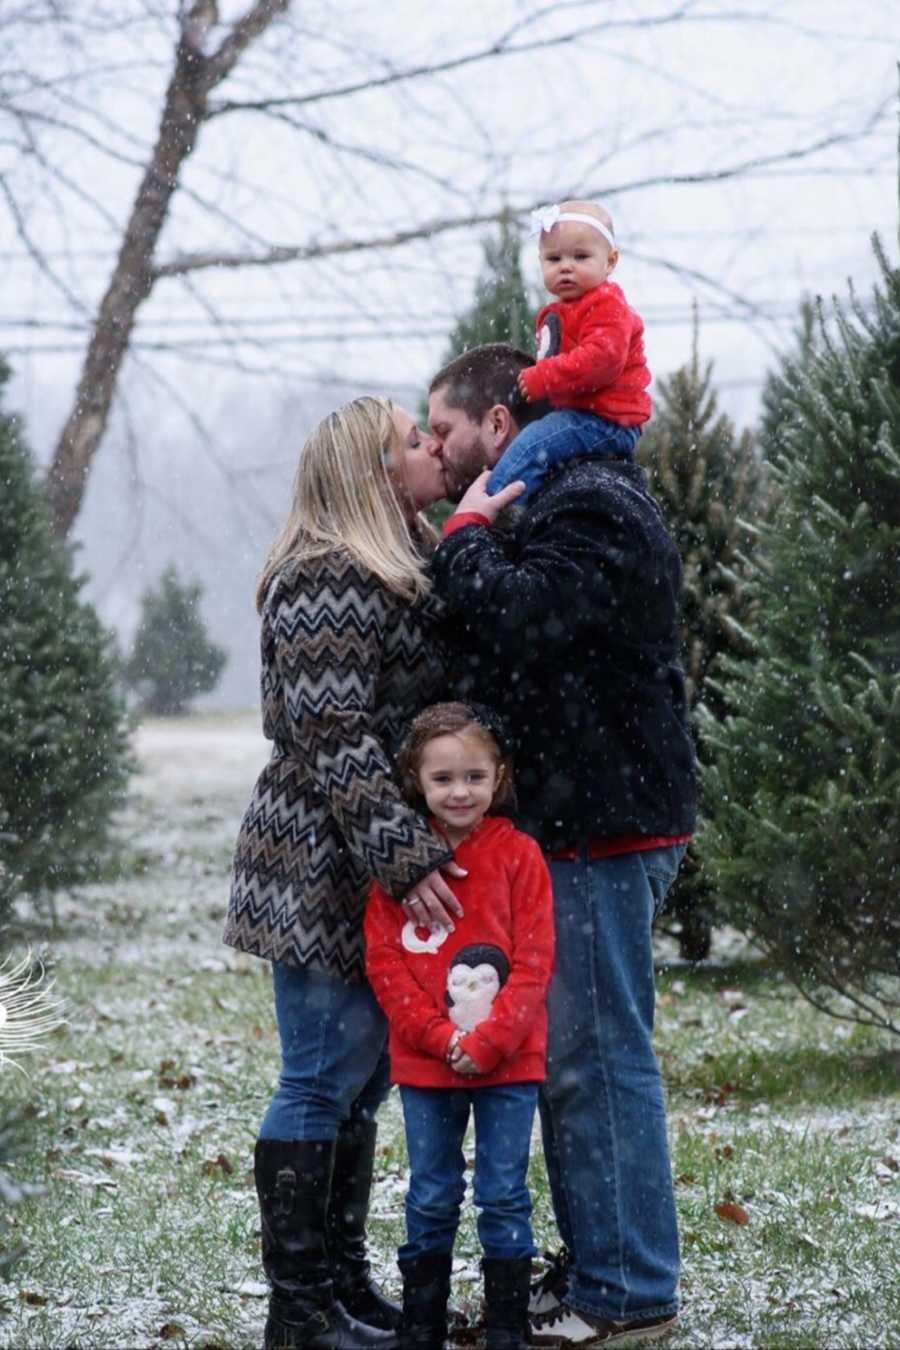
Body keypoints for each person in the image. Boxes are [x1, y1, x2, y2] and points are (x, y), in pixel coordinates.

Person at [425, 344, 697, 1348]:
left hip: (606, 827)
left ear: (501, 427)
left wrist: (461, 536)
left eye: (446, 430)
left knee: (596, 1056)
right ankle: (597, 1271)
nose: (438, 450)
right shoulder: (561, 500)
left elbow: (525, 622)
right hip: (586, 824)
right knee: (573, 1056)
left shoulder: (587, 502)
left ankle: (628, 1296)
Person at [224, 397, 470, 1350]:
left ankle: (341, 1286)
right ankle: (300, 1311)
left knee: (359, 1083)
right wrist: (406, 861)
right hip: (320, 859)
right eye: (412, 441)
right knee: (321, 1078)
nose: (429, 449)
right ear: (370, 472)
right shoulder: (325, 575)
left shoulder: (388, 564)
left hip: (356, 858)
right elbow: (338, 741)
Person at [365, 702, 555, 1350]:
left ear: (497, 777)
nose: (459, 791)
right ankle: (422, 1324)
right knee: (432, 1194)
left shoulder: (519, 856)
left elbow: (534, 959)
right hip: (426, 1065)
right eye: (442, 778)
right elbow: (386, 963)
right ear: (416, 780)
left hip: (510, 1064)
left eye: (474, 776)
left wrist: (493, 1039)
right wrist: (442, 1038)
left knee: (504, 1193)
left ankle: (507, 1326)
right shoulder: (401, 864)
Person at [486, 199, 650, 503]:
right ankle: (524, 506)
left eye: (580, 256)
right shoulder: (561, 311)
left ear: (610, 261)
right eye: (553, 258)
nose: (565, 266)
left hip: (608, 421)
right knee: (535, 442)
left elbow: (602, 360)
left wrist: (543, 378)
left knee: (534, 446)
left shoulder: (607, 304)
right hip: (582, 416)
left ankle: (496, 509)